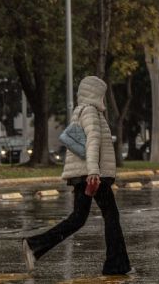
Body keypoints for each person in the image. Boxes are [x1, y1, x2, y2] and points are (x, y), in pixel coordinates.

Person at [22, 76, 132, 275]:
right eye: (103, 94)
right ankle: (116, 265)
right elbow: (92, 143)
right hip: (92, 175)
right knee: (111, 216)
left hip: (84, 174)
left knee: (78, 219)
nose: (105, 99)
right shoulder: (91, 112)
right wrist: (93, 172)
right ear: (96, 93)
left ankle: (34, 245)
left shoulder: (80, 111)